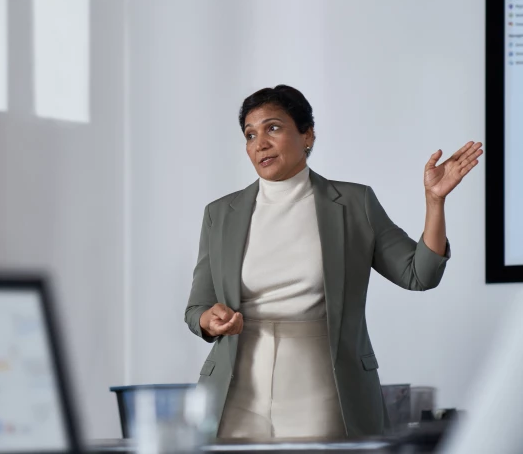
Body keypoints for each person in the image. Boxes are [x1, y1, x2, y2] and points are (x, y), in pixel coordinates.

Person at [184, 85, 482, 440]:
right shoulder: (220, 214)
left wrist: (435, 203)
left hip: (323, 385)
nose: (260, 143)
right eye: (250, 134)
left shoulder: (354, 203)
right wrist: (209, 320)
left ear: (307, 134)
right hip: (236, 387)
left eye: (273, 128)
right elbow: (197, 308)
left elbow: (419, 274)